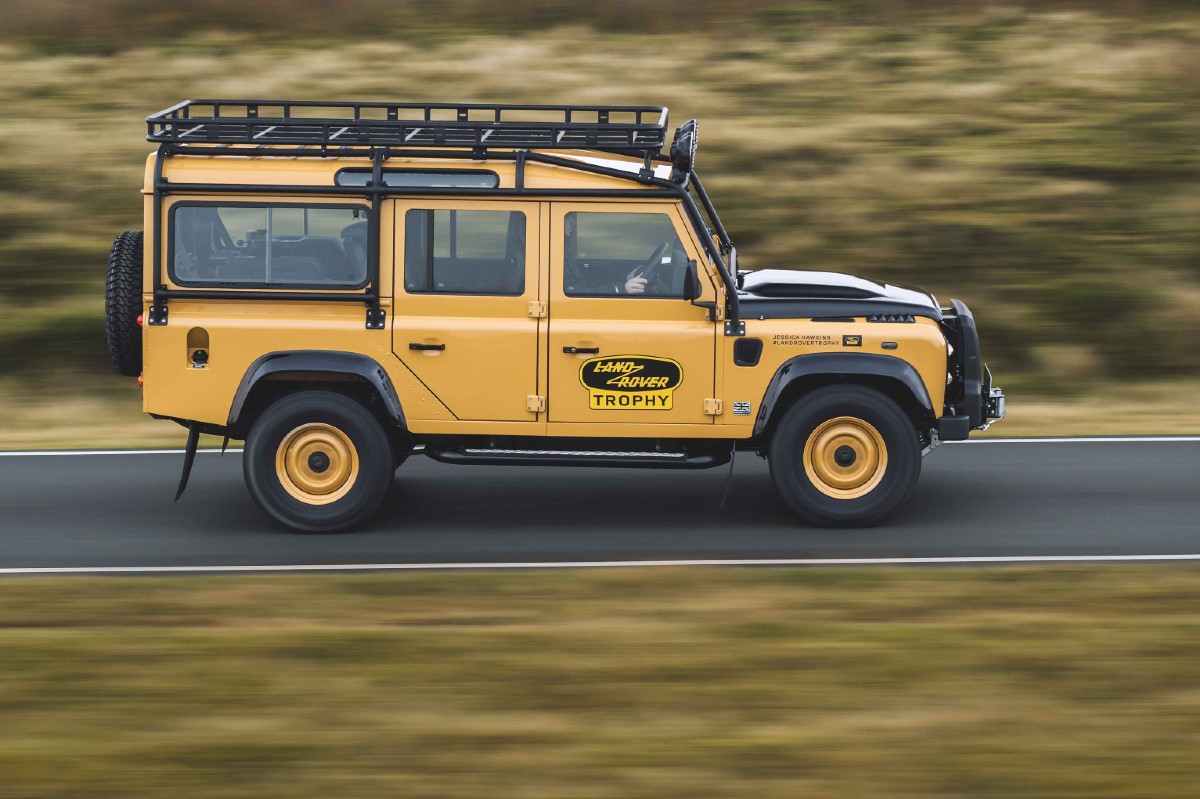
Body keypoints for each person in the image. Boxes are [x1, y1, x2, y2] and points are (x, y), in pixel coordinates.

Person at [563, 213, 652, 295]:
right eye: (569, 218)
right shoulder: (555, 255)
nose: (573, 223)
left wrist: (625, 280)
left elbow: (586, 281)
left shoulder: (564, 249)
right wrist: (621, 289)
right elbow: (574, 293)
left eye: (573, 218)